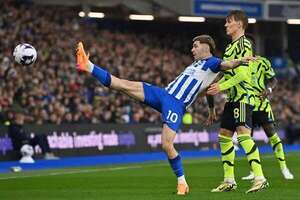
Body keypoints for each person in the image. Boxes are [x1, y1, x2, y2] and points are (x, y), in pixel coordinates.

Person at [75, 35, 253, 195]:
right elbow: (206, 90)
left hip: (175, 104)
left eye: (196, 45)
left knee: (166, 144)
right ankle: (88, 65)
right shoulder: (197, 64)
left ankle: (182, 182)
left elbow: (227, 65)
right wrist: (211, 109)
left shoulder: (213, 62)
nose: (192, 49)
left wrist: (241, 61)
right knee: (123, 85)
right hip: (163, 94)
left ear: (206, 46)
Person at [207, 10, 268, 193]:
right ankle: (229, 180)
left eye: (229, 22)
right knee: (224, 136)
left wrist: (221, 87)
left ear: (239, 24)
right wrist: (216, 84)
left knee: (243, 135)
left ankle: (260, 177)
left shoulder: (244, 43)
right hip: (232, 99)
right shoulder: (229, 48)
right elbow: (228, 72)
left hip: (243, 97)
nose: (226, 25)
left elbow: (243, 74)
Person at [241, 36, 294, 180]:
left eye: (246, 44)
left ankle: (284, 168)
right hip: (245, 105)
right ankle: (253, 170)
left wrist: (268, 90)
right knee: (247, 138)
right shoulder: (238, 63)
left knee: (271, 134)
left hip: (261, 104)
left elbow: (273, 80)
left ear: (251, 47)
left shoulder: (263, 62)